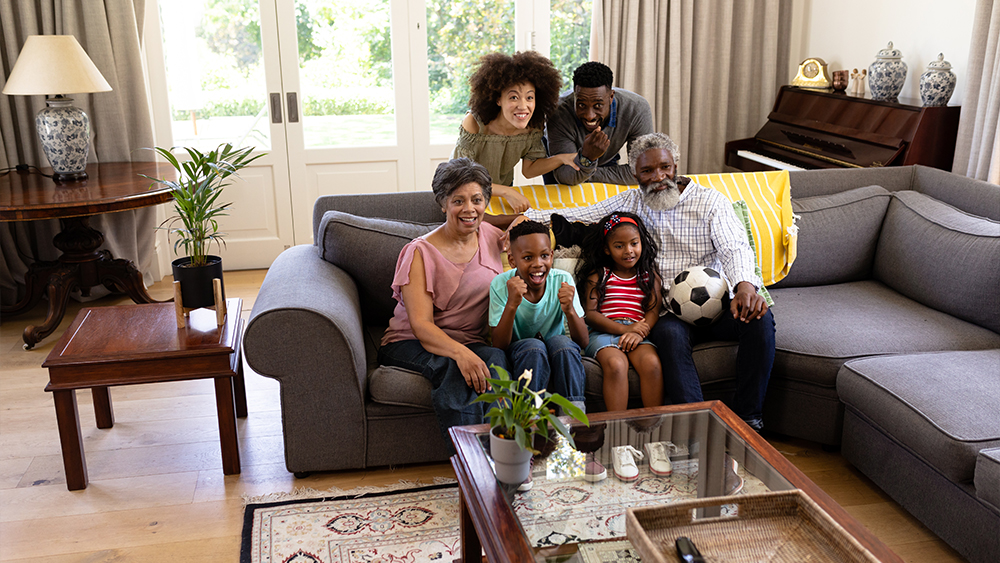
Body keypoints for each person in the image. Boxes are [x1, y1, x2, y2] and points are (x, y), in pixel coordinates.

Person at [498, 132, 774, 431]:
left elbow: (735, 247)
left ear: (676, 164)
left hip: (717, 304)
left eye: (665, 167)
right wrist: (520, 221)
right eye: (647, 171)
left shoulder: (711, 202)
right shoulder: (631, 202)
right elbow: (576, 214)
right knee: (668, 337)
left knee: (760, 319)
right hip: (670, 312)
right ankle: (695, 424)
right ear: (634, 173)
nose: (658, 177)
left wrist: (746, 286)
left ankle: (750, 418)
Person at [378, 158, 510, 448]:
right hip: (410, 342)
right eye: (458, 201)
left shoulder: (491, 236)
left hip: (470, 340)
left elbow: (533, 242)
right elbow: (421, 325)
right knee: (452, 368)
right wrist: (462, 354)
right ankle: (468, 460)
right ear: (442, 204)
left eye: (477, 200)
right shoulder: (419, 252)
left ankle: (503, 452)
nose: (469, 209)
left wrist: (524, 223)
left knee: (498, 362)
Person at [454, 51, 579, 213]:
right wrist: (508, 191)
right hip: (464, 195)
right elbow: (460, 178)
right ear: (498, 99)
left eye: (529, 98)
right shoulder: (474, 124)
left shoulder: (533, 128)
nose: (523, 106)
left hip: (499, 195)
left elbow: (530, 170)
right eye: (513, 97)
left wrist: (562, 158)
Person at [489, 220, 588, 412]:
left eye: (544, 256)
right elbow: (499, 345)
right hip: (521, 352)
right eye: (527, 258)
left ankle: (574, 414)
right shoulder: (500, 285)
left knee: (563, 343)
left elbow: (583, 341)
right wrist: (511, 304)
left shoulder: (562, 280)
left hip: (555, 348)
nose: (538, 264)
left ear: (551, 256)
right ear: (512, 261)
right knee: (534, 346)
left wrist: (570, 311)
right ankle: (530, 415)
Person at [576, 212, 663, 412]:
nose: (628, 251)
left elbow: (653, 311)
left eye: (634, 243)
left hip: (636, 333)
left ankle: (654, 429)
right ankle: (618, 429)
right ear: (607, 249)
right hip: (603, 333)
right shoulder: (599, 275)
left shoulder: (649, 275)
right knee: (616, 364)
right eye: (619, 246)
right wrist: (625, 330)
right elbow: (591, 314)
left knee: (652, 364)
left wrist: (637, 331)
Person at [544, 61, 654, 186]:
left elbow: (645, 171)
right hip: (559, 158)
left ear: (611, 96)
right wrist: (587, 158)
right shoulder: (558, 113)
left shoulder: (637, 109)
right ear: (574, 96)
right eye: (581, 105)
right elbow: (566, 177)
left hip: (604, 158)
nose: (589, 116)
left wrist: (585, 169)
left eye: (598, 105)